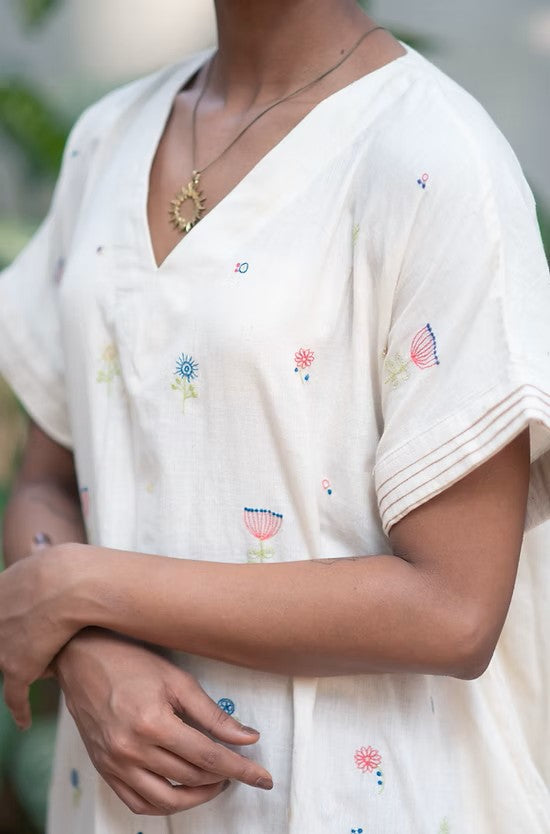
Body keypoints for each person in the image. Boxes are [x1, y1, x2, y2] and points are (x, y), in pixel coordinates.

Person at [0, 1, 549, 832]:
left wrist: (82, 588)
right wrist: (86, 647)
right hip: (116, 805)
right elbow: (47, 474)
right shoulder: (106, 139)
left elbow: (455, 608)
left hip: (359, 801)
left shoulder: (433, 158)